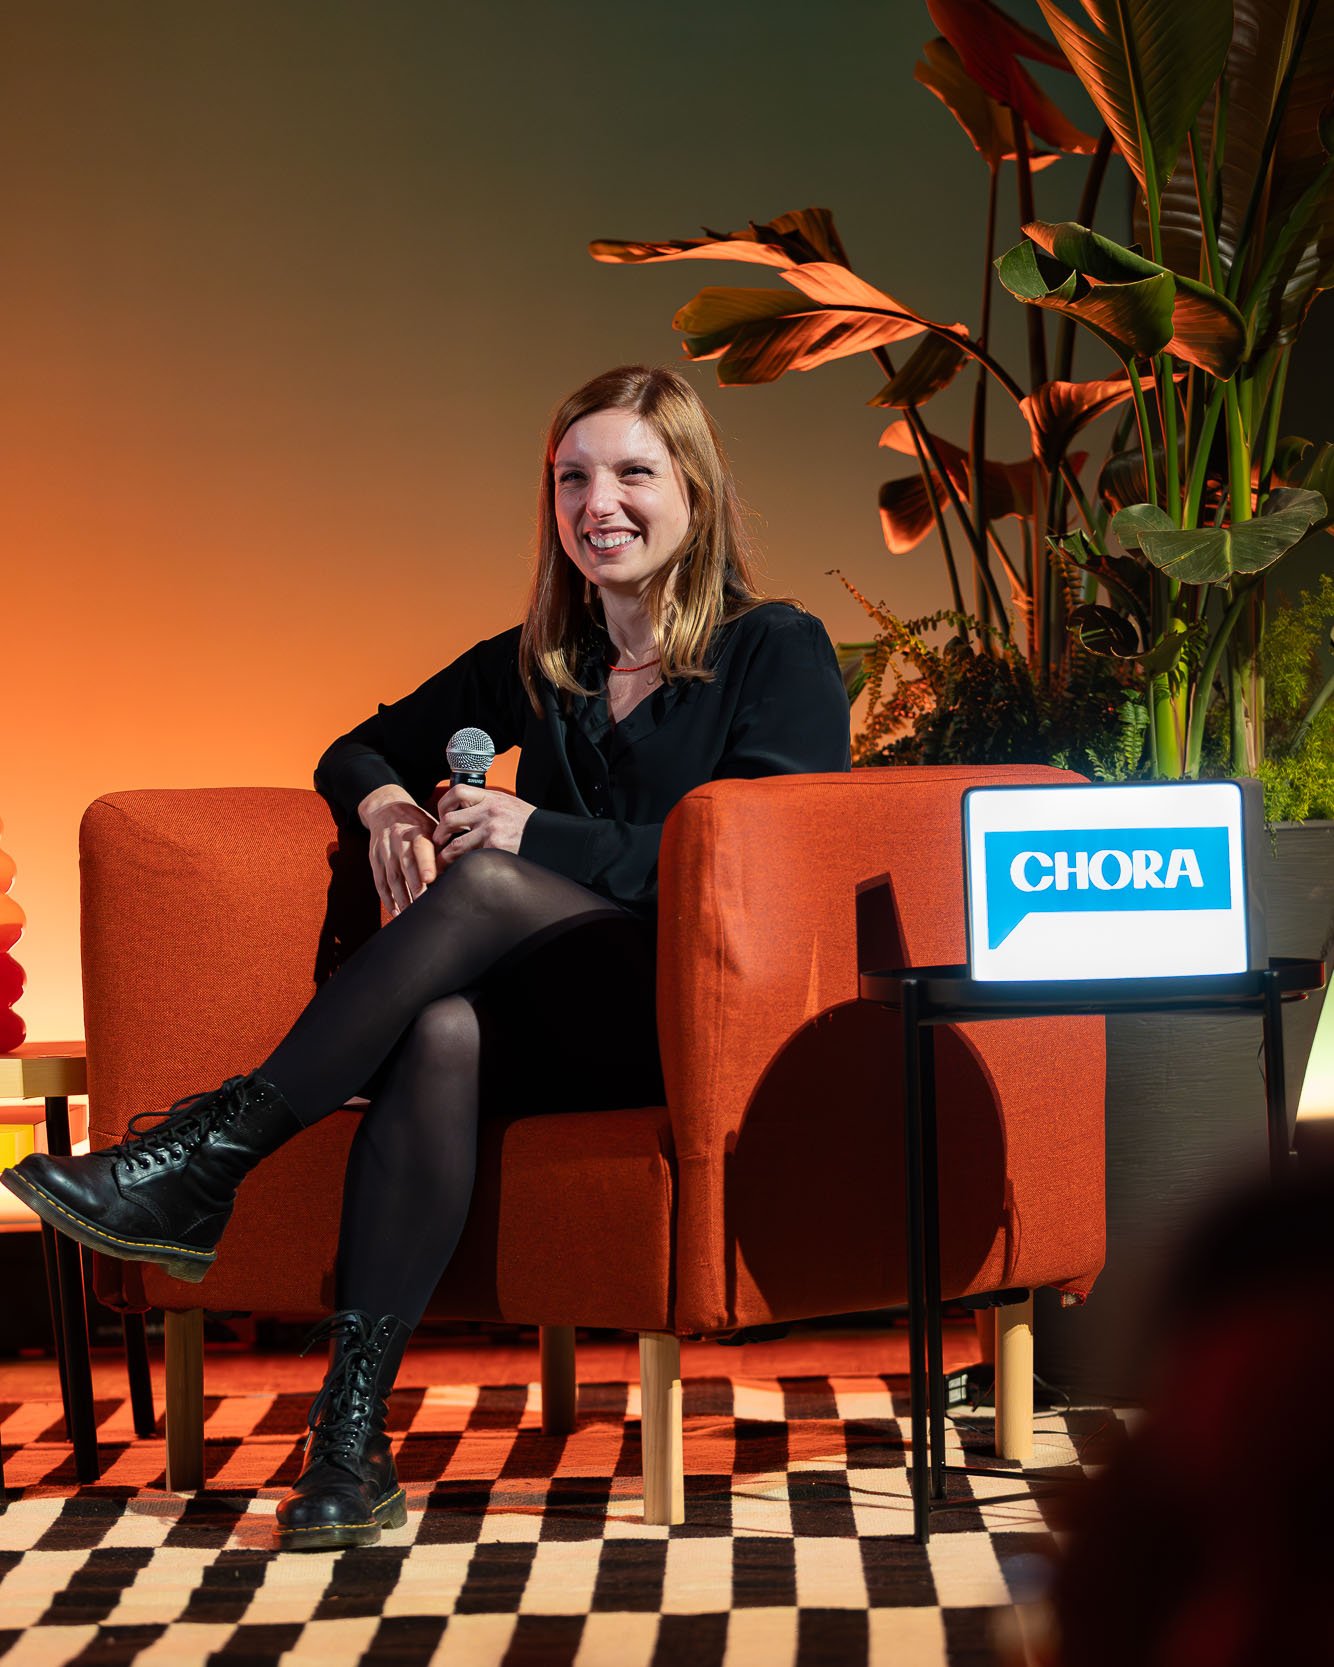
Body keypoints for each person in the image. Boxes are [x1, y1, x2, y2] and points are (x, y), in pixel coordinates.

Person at [3, 364, 852, 1550]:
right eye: (571, 478)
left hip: (689, 1021)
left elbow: (762, 856)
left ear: (694, 494)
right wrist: (390, 807)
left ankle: (207, 1154)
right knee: (443, 1025)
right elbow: (353, 746)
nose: (596, 502)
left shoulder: (775, 648)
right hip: (546, 1026)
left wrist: (533, 832)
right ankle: (348, 1438)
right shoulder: (541, 663)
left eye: (630, 473)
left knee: (492, 872)